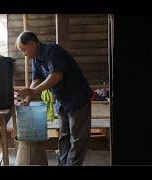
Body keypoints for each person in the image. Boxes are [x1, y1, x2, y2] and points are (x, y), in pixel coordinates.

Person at [16, 31, 93, 166]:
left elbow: (56, 76)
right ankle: (62, 165)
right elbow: (36, 80)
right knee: (64, 136)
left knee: (77, 138)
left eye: (24, 50)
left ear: (33, 44)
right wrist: (29, 97)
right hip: (62, 99)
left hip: (77, 97)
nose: (24, 54)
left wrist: (34, 91)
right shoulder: (36, 59)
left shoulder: (53, 51)